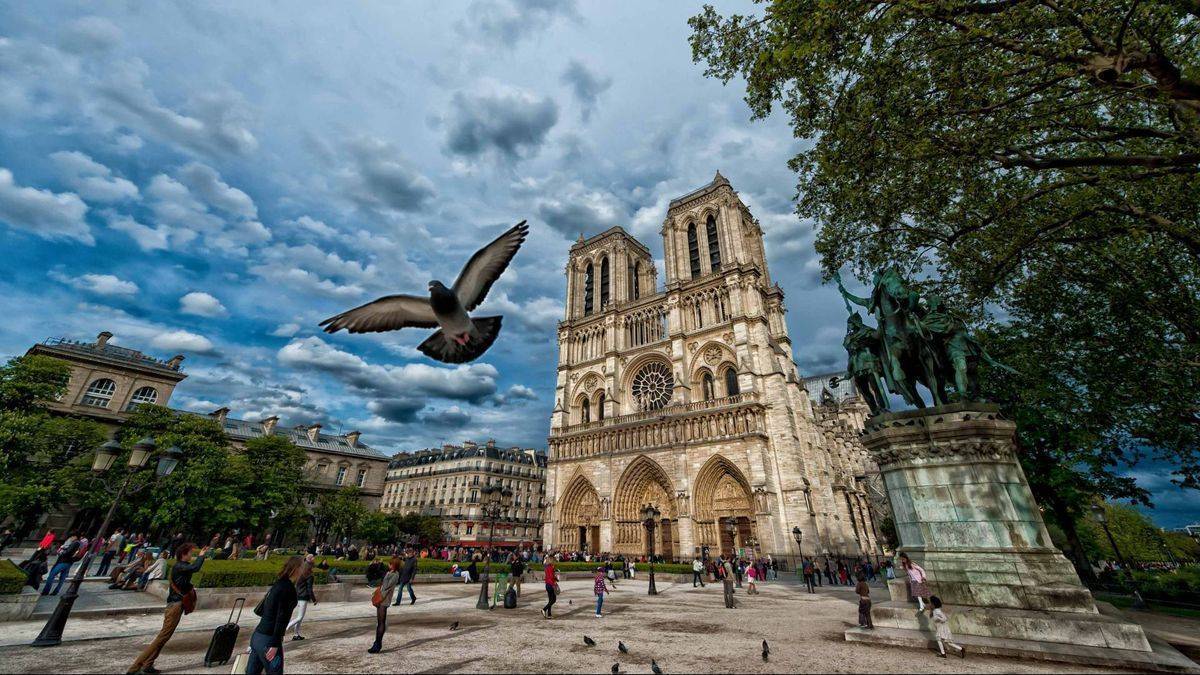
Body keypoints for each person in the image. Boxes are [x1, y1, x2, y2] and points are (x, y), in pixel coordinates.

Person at [127, 543, 209, 675]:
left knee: (165, 636)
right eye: (190, 553)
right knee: (162, 637)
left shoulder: (180, 566)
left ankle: (148, 665)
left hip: (175, 605)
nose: (191, 556)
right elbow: (195, 567)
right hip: (175, 606)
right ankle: (135, 668)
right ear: (184, 554)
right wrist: (201, 556)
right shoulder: (180, 566)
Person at [246, 556, 303, 674]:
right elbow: (282, 618)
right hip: (268, 639)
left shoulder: (279, 583)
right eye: (302, 566)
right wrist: (275, 644)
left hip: (257, 636)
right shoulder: (288, 589)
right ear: (297, 568)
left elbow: (265, 610)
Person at [369, 558, 401, 654]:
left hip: (385, 599)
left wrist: (387, 575)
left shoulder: (395, 575)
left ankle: (377, 644)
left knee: (381, 622)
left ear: (394, 565)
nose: (389, 565)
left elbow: (386, 586)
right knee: (379, 622)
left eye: (390, 564)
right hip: (382, 597)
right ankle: (376, 643)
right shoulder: (390, 572)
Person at [286, 559, 317, 641]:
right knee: (300, 617)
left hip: (297, 596)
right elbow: (309, 589)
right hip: (303, 597)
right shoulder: (309, 575)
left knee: (300, 617)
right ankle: (285, 628)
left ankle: (296, 634)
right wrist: (314, 599)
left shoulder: (300, 573)